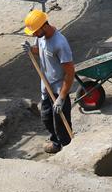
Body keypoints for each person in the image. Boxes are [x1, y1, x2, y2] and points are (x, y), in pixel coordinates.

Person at [24, 9, 75, 154]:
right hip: (46, 86)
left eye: (35, 31)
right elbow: (40, 51)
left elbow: (70, 73)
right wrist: (30, 49)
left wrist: (62, 97)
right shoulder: (40, 37)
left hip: (59, 89)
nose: (33, 34)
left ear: (44, 26)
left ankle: (68, 148)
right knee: (46, 117)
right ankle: (55, 142)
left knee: (61, 122)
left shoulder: (60, 43)